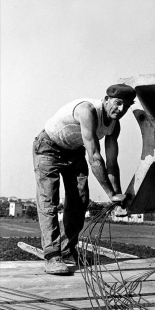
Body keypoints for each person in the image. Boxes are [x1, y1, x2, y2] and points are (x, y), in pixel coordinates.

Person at [33, 84, 136, 274]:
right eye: (118, 103)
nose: (120, 110)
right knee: (49, 202)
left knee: (80, 201)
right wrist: (110, 194)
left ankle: (67, 250)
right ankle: (52, 256)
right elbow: (95, 157)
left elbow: (112, 163)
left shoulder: (115, 125)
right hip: (48, 147)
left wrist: (117, 196)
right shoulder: (87, 110)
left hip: (73, 151)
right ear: (106, 100)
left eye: (126, 107)